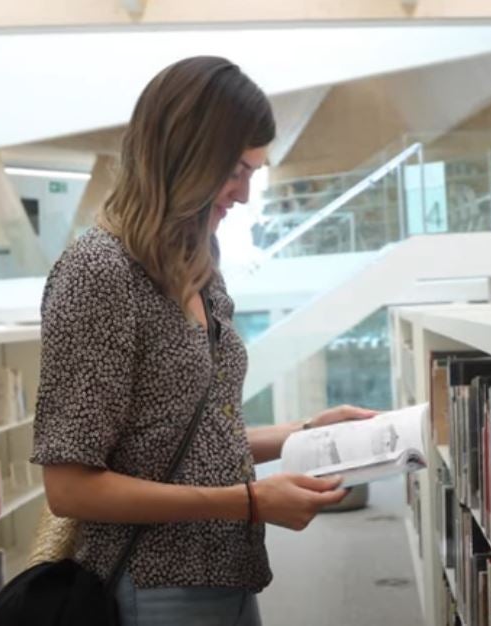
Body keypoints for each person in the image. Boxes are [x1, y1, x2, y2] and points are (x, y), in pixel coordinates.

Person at [31, 56, 377, 626]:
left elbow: (189, 439)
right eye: (236, 170)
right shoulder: (99, 272)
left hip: (227, 575)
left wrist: (309, 432)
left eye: (254, 175)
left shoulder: (198, 270)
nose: (242, 195)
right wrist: (247, 501)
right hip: (153, 584)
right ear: (185, 154)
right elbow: (69, 486)